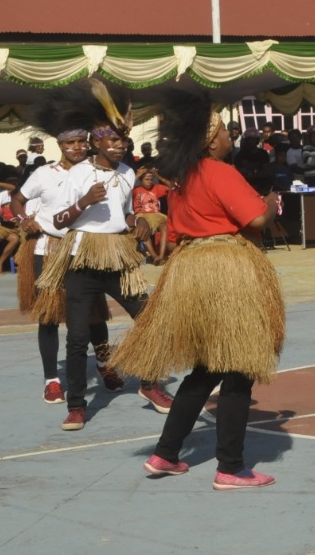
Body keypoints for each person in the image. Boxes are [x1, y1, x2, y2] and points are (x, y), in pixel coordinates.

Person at [110, 90, 284, 488]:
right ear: (210, 140)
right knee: (239, 368)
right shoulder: (219, 171)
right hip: (224, 269)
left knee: (206, 369)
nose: (230, 137)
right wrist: (272, 204)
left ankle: (165, 454)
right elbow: (256, 219)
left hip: (190, 270)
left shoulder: (183, 178)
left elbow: (176, 233)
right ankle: (231, 467)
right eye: (225, 132)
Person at [33, 80, 174, 431]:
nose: (120, 147)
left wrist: (137, 221)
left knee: (150, 318)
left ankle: (150, 384)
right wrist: (84, 202)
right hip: (82, 260)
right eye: (113, 141)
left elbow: (121, 213)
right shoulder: (78, 174)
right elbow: (58, 220)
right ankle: (77, 405)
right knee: (78, 337)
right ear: (96, 142)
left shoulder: (127, 173)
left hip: (118, 258)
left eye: (123, 141)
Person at [10, 129, 115, 405]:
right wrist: (23, 220)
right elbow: (17, 200)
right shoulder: (44, 174)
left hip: (87, 248)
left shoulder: (97, 170)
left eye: (82, 141)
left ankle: (104, 365)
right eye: (70, 142)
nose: (77, 147)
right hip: (49, 249)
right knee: (49, 316)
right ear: (59, 145)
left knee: (95, 312)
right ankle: (52, 380)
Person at [133, 169, 170, 263]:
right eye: (146, 179)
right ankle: (154, 256)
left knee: (165, 227)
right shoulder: (135, 190)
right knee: (144, 229)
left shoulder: (157, 188)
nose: (149, 182)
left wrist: (158, 176)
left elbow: (172, 187)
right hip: (142, 216)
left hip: (156, 215)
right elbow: (124, 187)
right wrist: (136, 176)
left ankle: (161, 256)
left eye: (151, 179)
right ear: (141, 180)